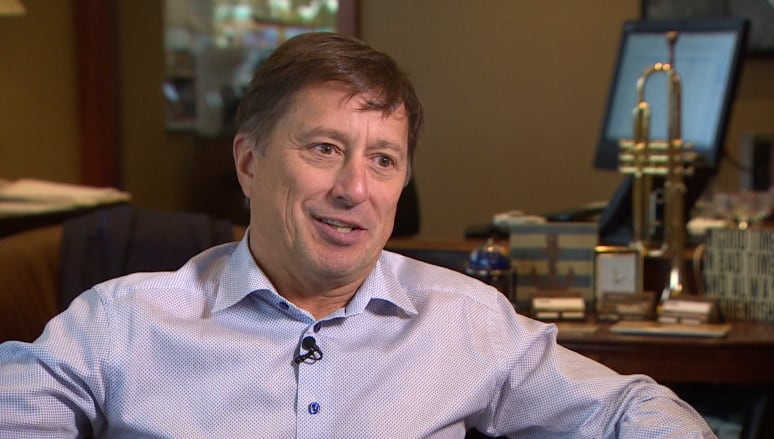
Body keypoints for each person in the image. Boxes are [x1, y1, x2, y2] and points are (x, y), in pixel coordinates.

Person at [0, 32, 714, 438]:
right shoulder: (127, 320)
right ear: (250, 162)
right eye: (323, 149)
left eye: (383, 159)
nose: (355, 188)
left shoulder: (462, 322)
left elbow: (631, 407)